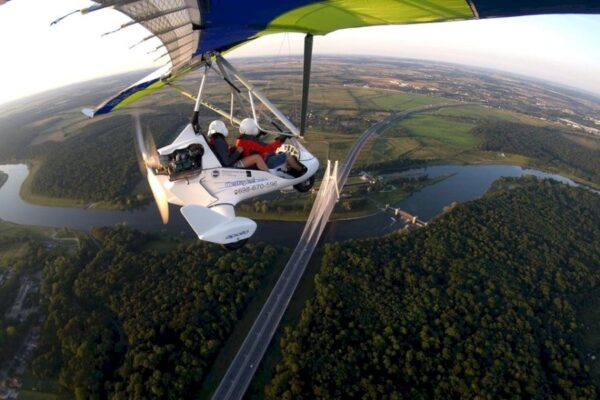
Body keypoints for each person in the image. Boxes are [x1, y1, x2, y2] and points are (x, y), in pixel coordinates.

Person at [235, 118, 305, 176]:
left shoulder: (239, 140)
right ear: (254, 129)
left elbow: (252, 148)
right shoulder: (250, 142)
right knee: (286, 155)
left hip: (256, 161)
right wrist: (281, 139)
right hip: (263, 163)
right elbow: (268, 148)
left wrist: (258, 135)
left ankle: (288, 168)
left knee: (275, 153)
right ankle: (302, 171)